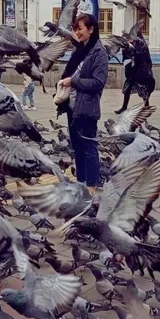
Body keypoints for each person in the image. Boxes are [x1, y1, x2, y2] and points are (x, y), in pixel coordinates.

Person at [56, 14, 108, 191]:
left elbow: (98, 83)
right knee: (77, 147)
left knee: (89, 147)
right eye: (75, 28)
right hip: (72, 107)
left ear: (91, 29)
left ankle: (92, 186)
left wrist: (73, 81)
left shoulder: (99, 53)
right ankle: (81, 182)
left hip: (86, 107)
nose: (76, 32)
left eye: (80, 28)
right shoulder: (80, 50)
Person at [115, 34, 155, 113]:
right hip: (134, 71)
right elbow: (126, 57)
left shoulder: (141, 46)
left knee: (144, 89)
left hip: (143, 72)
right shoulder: (130, 46)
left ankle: (146, 106)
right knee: (127, 88)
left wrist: (133, 52)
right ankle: (124, 107)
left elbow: (143, 57)